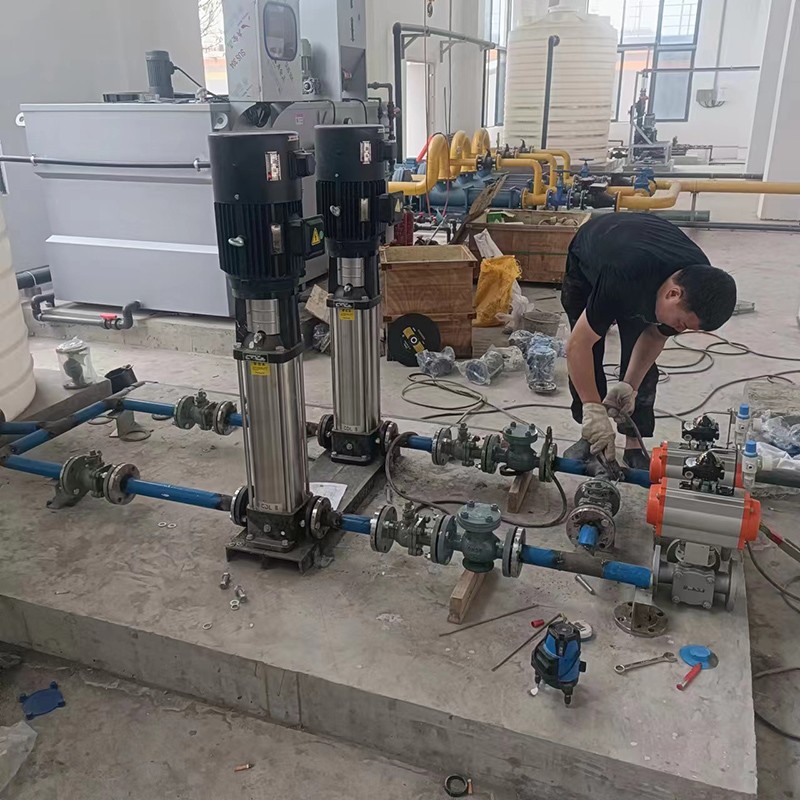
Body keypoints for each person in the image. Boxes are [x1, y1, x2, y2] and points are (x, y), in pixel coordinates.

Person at [561, 213, 737, 472]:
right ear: (673, 294)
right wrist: (593, 409)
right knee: (589, 351)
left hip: (640, 254)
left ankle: (634, 443)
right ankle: (590, 434)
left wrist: (630, 386)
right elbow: (579, 345)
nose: (679, 330)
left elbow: (655, 335)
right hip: (592, 259)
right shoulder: (623, 274)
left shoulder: (699, 280)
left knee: (639, 352)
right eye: (682, 323)